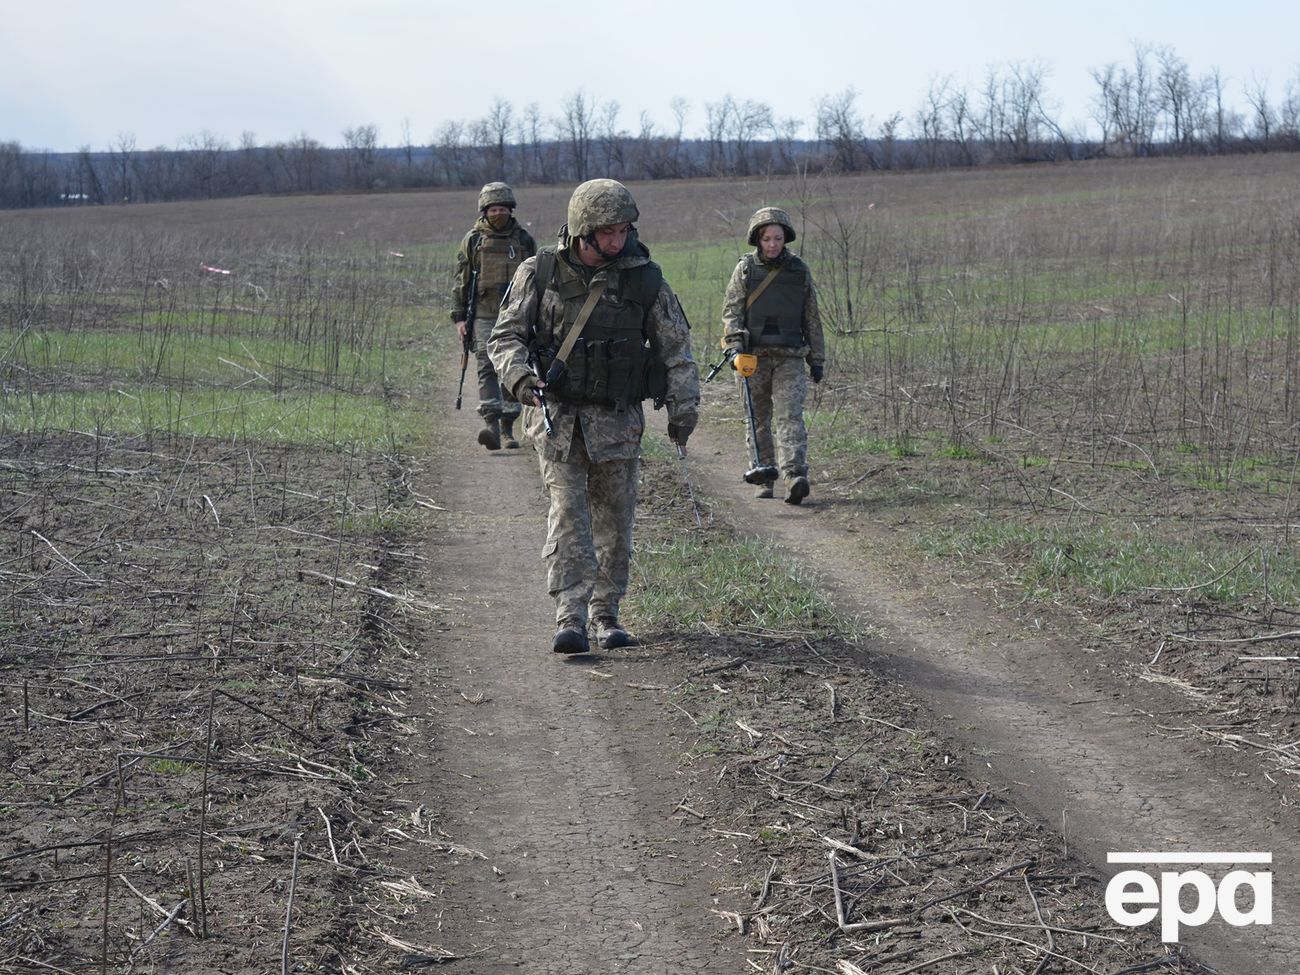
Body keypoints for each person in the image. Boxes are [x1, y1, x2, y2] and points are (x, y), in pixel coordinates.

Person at [489, 178, 700, 655]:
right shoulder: (538, 272)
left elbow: (676, 349)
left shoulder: (645, 279)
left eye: (624, 230)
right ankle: (571, 616)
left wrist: (683, 410)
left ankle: (607, 614)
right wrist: (522, 380)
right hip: (557, 419)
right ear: (583, 231)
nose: (617, 240)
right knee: (568, 516)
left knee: (616, 523)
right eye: (607, 232)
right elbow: (504, 339)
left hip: (617, 424)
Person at [720, 206, 825, 504]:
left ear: (785, 239)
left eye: (778, 238)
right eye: (767, 238)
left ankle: (794, 476)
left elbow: (811, 317)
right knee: (757, 419)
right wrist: (734, 346)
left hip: (790, 356)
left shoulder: (799, 271)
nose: (772, 244)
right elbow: (732, 312)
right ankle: (764, 476)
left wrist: (817, 359)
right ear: (757, 239)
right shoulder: (744, 271)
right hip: (752, 358)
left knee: (790, 415)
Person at [451, 181, 537, 450]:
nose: (498, 214)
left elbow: (537, 280)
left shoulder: (523, 240)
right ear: (484, 211)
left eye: (502, 209)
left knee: (512, 365)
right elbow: (462, 280)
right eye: (493, 209)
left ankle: (508, 427)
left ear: (510, 210)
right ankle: (491, 425)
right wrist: (460, 317)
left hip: (516, 314)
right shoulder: (474, 241)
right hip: (484, 314)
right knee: (486, 366)